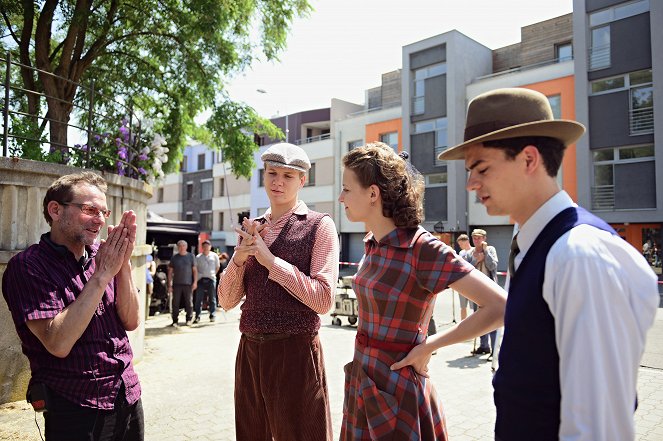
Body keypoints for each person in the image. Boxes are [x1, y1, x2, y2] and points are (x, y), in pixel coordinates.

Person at [439, 87, 659, 440]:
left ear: (529, 159)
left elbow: (597, 429)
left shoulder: (579, 256)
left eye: (480, 168)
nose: (470, 184)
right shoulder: (536, 244)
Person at [338, 142, 506, 440]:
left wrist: (429, 345)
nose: (341, 198)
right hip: (363, 383)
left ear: (373, 193)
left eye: (347, 189)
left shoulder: (421, 247)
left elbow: (500, 307)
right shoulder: (372, 242)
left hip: (397, 391)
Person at [1, 172, 144, 441]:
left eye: (104, 212)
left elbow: (132, 320)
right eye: (89, 209)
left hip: (127, 394)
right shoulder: (28, 266)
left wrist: (122, 264)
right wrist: (103, 275)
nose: (100, 220)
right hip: (76, 405)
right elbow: (58, 342)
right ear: (55, 210)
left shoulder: (103, 258)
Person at [217, 142, 339, 441]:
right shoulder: (253, 227)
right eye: (272, 173)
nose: (278, 181)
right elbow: (226, 301)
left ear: (303, 180)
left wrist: (271, 262)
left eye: (288, 175)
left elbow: (324, 300)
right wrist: (239, 258)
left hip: (295, 351)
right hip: (249, 350)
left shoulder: (319, 226)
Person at [467, 229, 499, 358]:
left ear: (484, 238)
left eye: (479, 238)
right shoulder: (470, 253)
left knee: (492, 319)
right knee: (479, 319)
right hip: (476, 289)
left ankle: (494, 350)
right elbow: (466, 269)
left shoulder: (490, 250)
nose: (476, 240)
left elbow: (493, 266)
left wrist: (485, 254)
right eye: (474, 238)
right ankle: (484, 346)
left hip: (490, 289)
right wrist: (476, 261)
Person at [168, 240, 197, 326]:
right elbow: (170, 272)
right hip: (176, 284)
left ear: (186, 247)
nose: (181, 248)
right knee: (175, 303)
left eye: (183, 246)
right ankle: (175, 321)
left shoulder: (191, 256)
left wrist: (195, 282)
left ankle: (189, 319)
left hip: (188, 283)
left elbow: (195, 270)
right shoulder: (174, 258)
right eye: (179, 246)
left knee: (189, 302)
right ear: (177, 247)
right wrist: (169, 284)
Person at [194, 240, 220, 323]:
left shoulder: (214, 255)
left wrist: (212, 274)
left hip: (211, 278)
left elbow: (217, 267)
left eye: (207, 246)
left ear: (210, 247)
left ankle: (212, 314)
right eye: (204, 246)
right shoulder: (198, 257)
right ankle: (197, 316)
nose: (206, 247)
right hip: (201, 279)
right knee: (199, 299)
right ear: (202, 247)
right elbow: (196, 268)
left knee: (212, 298)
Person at [455, 234, 472, 321]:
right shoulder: (461, 253)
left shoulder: (473, 251)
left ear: (466, 242)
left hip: (472, 284)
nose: (460, 246)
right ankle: (462, 323)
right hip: (462, 283)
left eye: (461, 244)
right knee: (463, 306)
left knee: (474, 308)